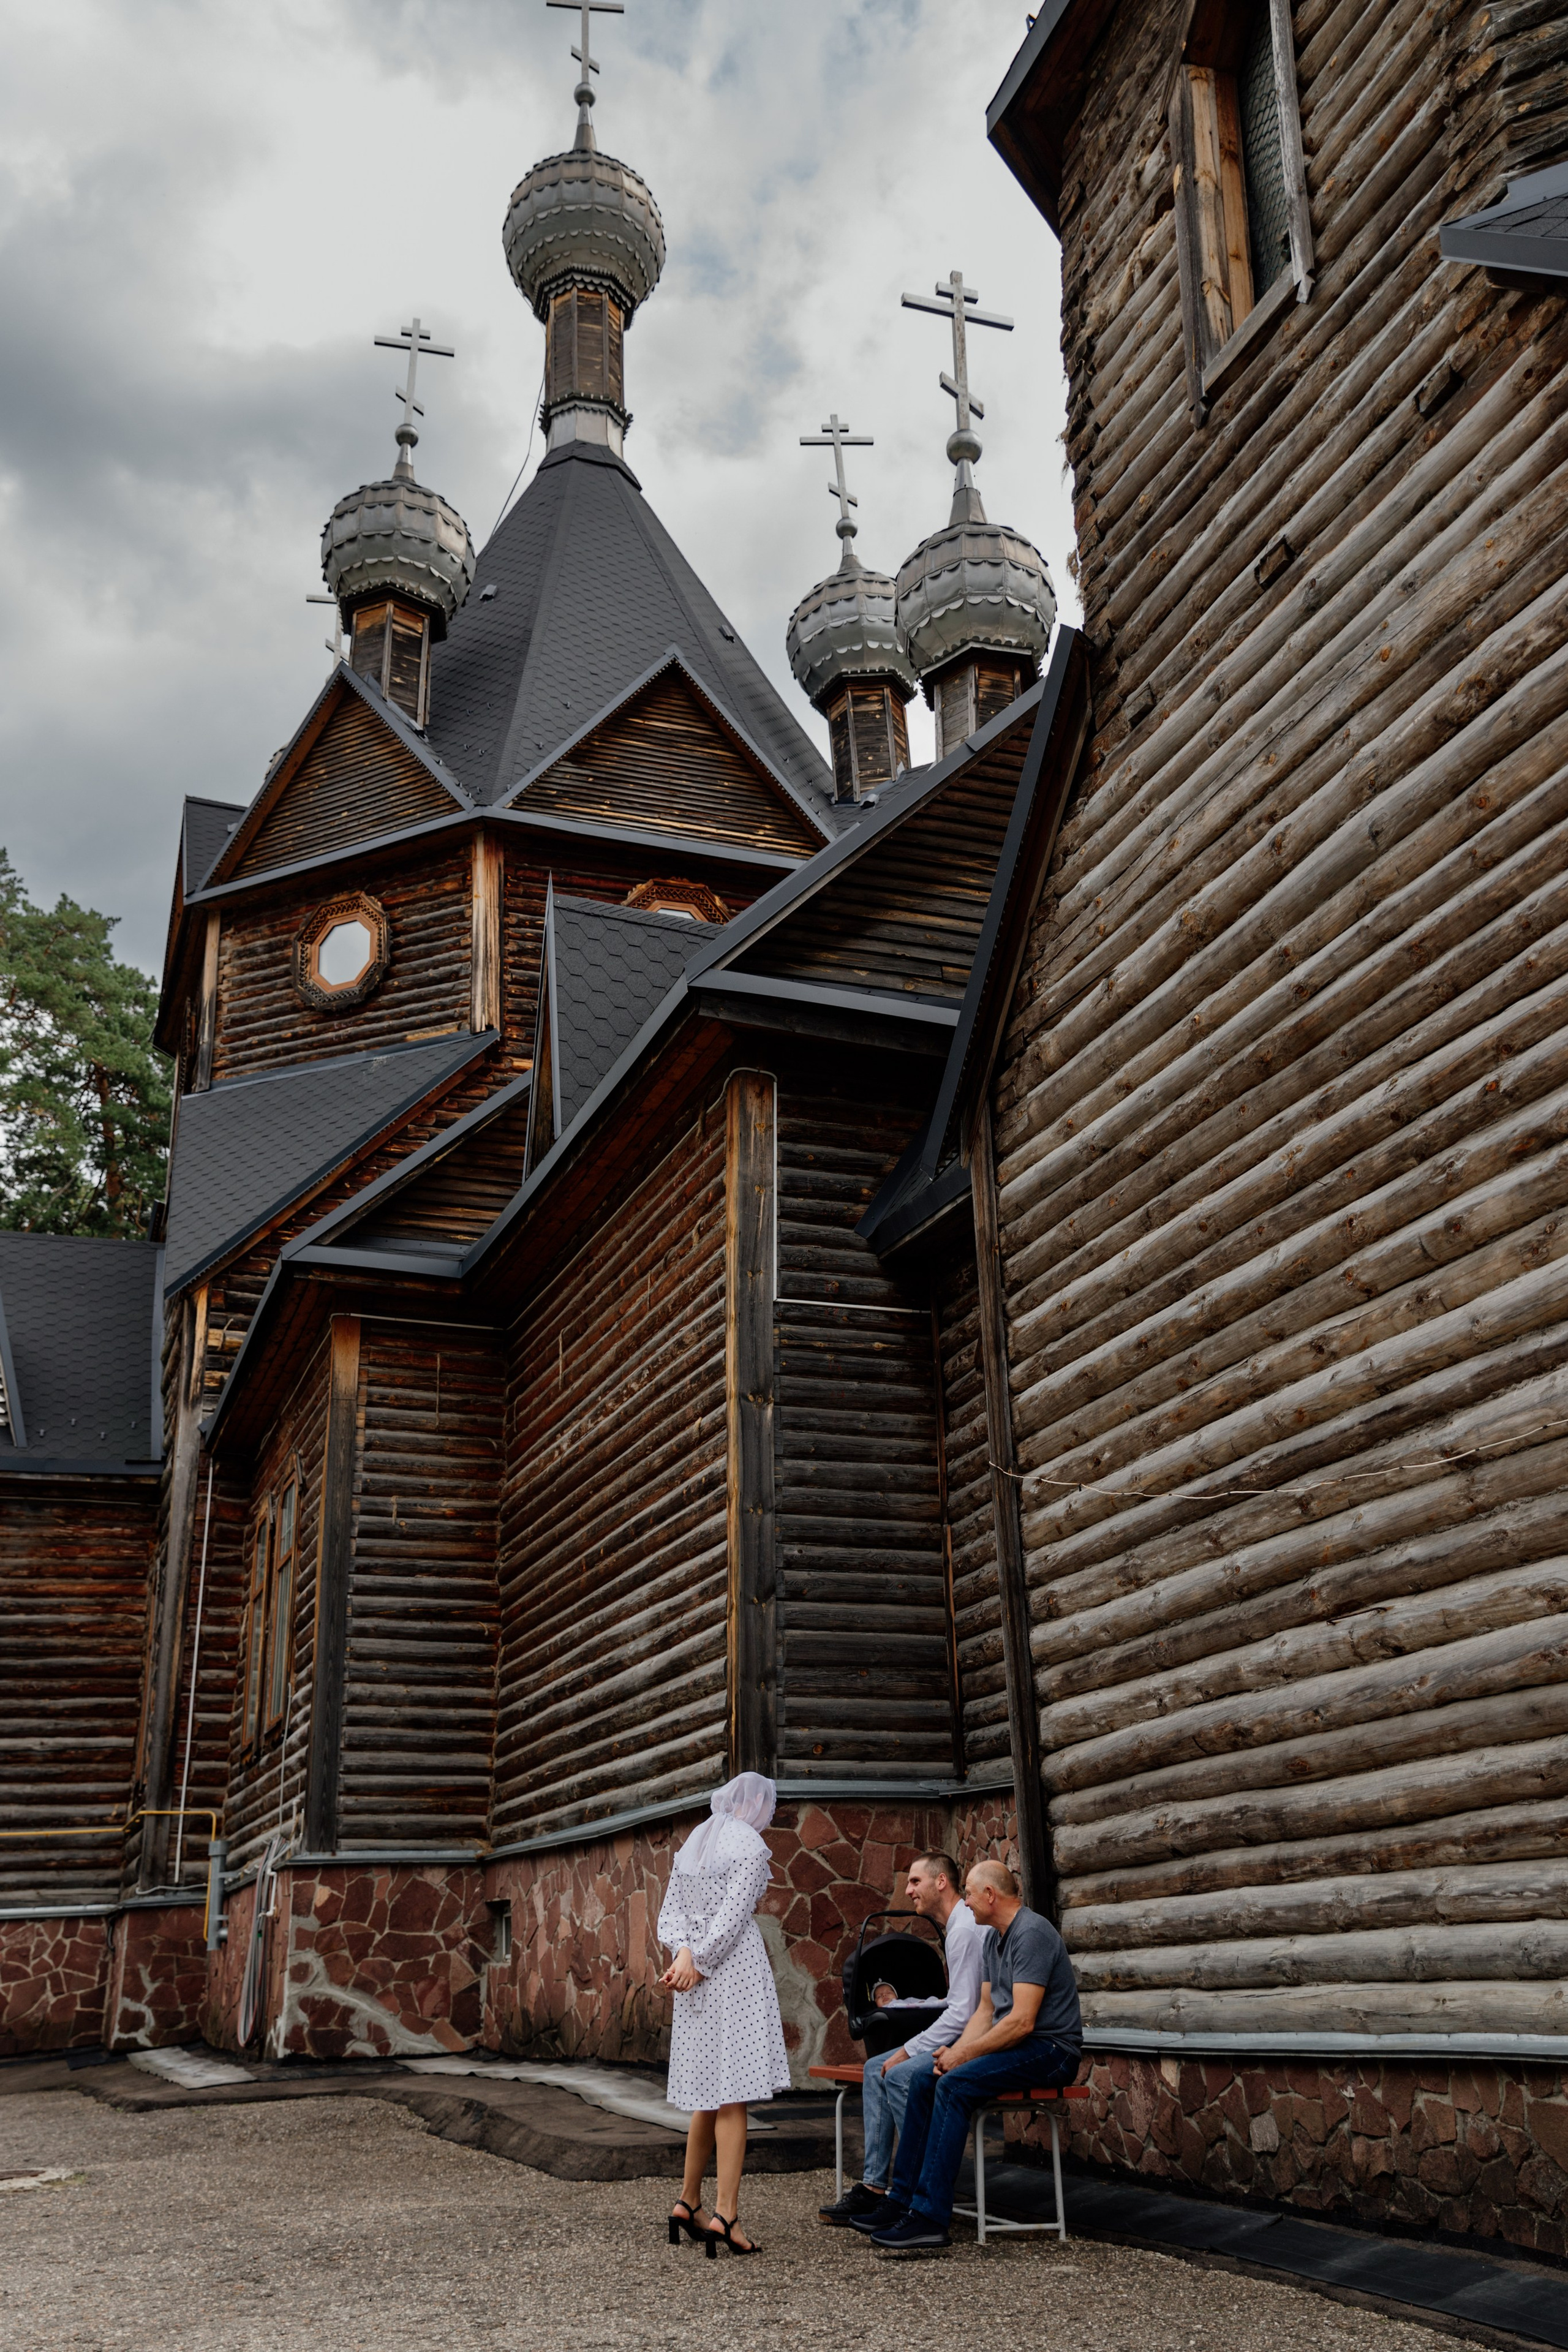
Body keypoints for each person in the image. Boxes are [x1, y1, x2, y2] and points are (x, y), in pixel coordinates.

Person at [853, 1858, 1082, 2256]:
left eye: (971, 1896)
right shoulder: (993, 1937)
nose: (967, 1904)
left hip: (1050, 2050)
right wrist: (954, 2051)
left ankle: (930, 2219)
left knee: (954, 2085)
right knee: (925, 2077)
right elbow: (984, 2011)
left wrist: (963, 2057)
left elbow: (1023, 2022)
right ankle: (903, 2199)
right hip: (1018, 2044)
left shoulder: (1032, 1934)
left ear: (991, 1895)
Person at [657, 1771, 791, 2256]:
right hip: (732, 1972)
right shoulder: (750, 1845)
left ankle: (687, 2202)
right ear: (756, 1805)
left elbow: (670, 1914)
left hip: (694, 1970)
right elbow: (734, 1917)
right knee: (733, 2093)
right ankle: (725, 2214)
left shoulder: (695, 1841)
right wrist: (704, 1959)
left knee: (706, 2093)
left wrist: (684, 1956)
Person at [818, 1852, 982, 2229]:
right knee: (876, 2064)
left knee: (897, 2072)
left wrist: (909, 2050)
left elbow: (964, 2015)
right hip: (962, 2031)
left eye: (915, 1882)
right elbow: (962, 1999)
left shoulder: (963, 1930)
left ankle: (916, 2189)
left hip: (972, 2043)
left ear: (941, 1882)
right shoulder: (957, 1927)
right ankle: (875, 2187)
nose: (908, 1890)